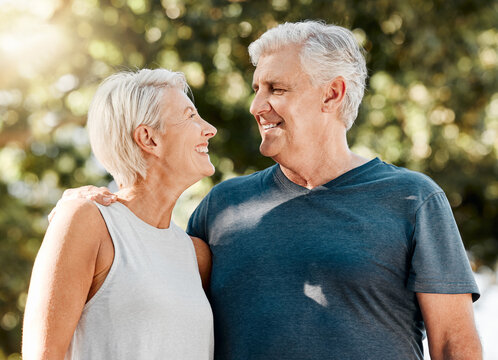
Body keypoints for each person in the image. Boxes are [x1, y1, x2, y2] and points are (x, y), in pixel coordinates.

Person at [53, 21, 482, 360]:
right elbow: (148, 273)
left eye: (276, 89)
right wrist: (102, 202)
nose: (257, 105)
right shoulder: (223, 205)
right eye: (257, 88)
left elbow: (454, 346)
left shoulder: (413, 199)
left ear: (332, 94)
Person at [22, 69, 216, 359]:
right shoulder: (86, 221)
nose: (209, 128)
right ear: (149, 138)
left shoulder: (196, 256)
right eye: (190, 116)